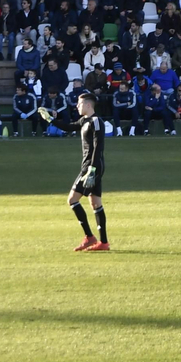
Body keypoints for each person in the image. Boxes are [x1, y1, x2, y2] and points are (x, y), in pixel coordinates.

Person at [50, 91, 109, 252]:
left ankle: (89, 237)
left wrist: (92, 169)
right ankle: (103, 243)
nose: (77, 106)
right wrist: (51, 120)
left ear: (88, 105)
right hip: (91, 166)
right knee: (95, 203)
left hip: (91, 167)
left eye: (79, 103)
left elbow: (98, 147)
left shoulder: (96, 121)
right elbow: (69, 127)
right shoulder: (84, 120)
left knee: (72, 200)